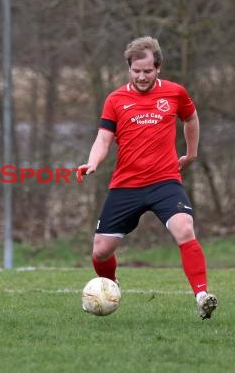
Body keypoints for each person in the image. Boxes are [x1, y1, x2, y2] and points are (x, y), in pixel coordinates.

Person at [78, 36, 218, 319]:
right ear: (129, 68)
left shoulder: (175, 93)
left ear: (158, 68)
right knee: (101, 251)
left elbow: (191, 118)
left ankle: (202, 295)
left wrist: (190, 154)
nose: (142, 77)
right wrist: (92, 162)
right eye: (136, 71)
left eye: (148, 71)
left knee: (184, 228)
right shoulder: (116, 99)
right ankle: (111, 286)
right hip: (126, 185)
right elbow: (103, 138)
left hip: (165, 181)